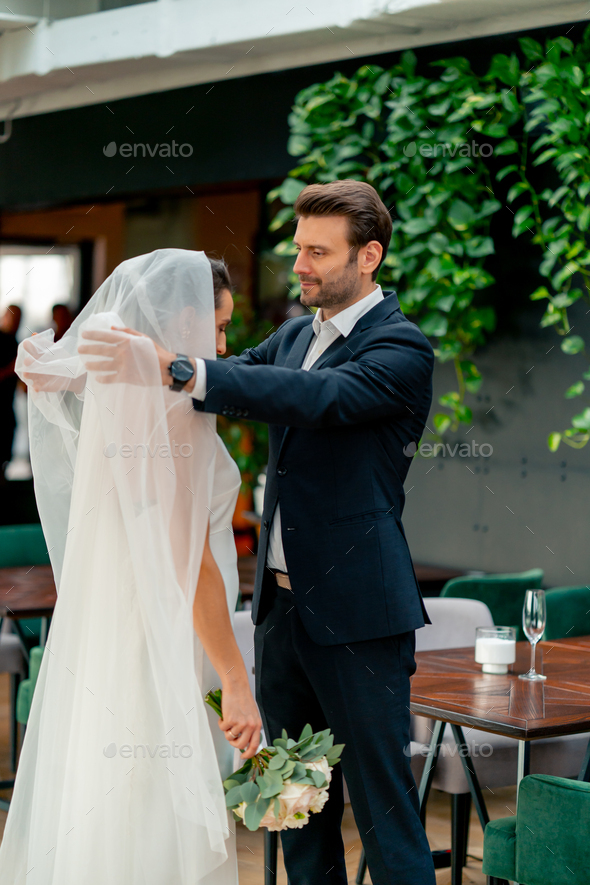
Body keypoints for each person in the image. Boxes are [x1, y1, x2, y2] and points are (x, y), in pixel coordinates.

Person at [79, 180, 436, 885]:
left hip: (359, 619)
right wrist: (84, 372)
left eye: (317, 252)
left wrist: (178, 366)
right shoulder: (296, 334)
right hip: (281, 618)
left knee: (384, 813)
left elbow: (316, 397)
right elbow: (229, 378)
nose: (298, 265)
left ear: (368, 256)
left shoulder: (402, 348)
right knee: (294, 808)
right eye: (298, 248)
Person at [0, 251, 260, 885]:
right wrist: (236, 679)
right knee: (150, 810)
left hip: (116, 628)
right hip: (162, 636)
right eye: (219, 327)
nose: (222, 347)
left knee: (113, 798)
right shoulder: (172, 407)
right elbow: (191, 564)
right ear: (185, 319)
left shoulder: (120, 393)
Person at [0, 304, 21, 479]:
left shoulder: (15, 342)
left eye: (18, 319)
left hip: (7, 405)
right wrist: (11, 369)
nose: (15, 322)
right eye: (12, 317)